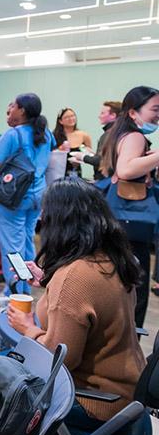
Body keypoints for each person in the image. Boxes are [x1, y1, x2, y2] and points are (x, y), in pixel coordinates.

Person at [7, 178, 150, 435]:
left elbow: (61, 360)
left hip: (98, 400)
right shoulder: (112, 259)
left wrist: (27, 329)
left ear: (60, 222)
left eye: (45, 215)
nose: (40, 220)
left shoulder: (73, 277)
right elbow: (87, 307)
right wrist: (49, 280)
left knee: (3, 384)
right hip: (128, 389)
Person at [98, 85, 159, 328]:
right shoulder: (135, 136)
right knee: (135, 287)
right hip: (131, 222)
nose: (158, 114)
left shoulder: (120, 134)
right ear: (134, 113)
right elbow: (125, 169)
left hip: (119, 218)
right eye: (154, 109)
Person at [0, 93, 55, 296]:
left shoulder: (13, 134)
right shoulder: (46, 133)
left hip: (13, 196)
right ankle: (26, 284)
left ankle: (15, 291)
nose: (12, 108)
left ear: (22, 110)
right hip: (38, 194)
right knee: (27, 240)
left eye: (14, 106)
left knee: (12, 245)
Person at [70, 101, 121, 182]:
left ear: (113, 115)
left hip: (107, 181)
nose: (99, 116)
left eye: (102, 113)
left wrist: (82, 157)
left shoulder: (109, 135)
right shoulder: (119, 132)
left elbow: (102, 161)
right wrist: (94, 155)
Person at [53, 107, 92, 177]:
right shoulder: (54, 136)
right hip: (58, 173)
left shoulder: (83, 135)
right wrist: (59, 149)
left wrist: (83, 158)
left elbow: (89, 153)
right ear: (60, 121)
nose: (71, 119)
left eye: (72, 116)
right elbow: (49, 155)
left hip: (76, 172)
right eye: (67, 117)